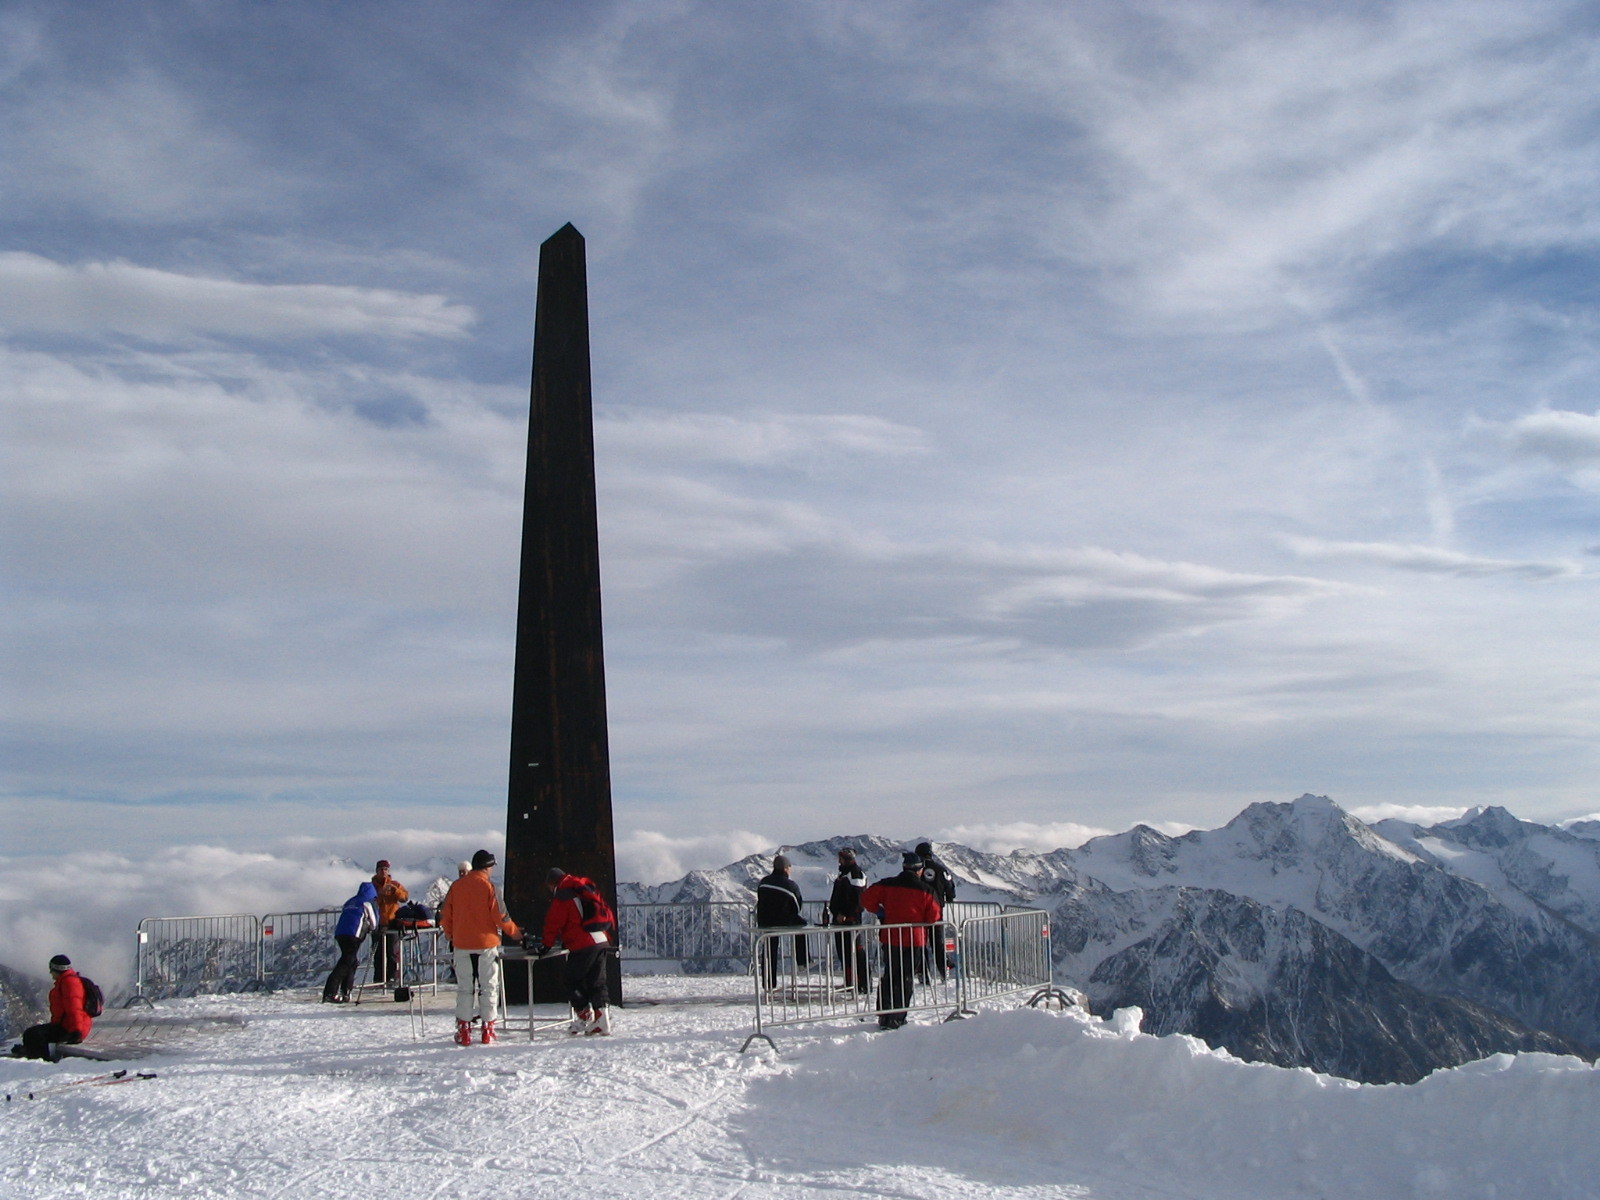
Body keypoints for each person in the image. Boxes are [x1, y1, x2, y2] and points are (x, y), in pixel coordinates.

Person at [439, 849, 521, 1045]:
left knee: (465, 989)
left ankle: (464, 1031)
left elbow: (445, 915)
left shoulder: (456, 886)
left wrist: (451, 934)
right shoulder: (490, 887)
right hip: (486, 945)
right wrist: (517, 934)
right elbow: (501, 917)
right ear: (487, 867)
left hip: (462, 944)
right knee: (489, 987)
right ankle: (488, 1030)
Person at [861, 851, 943, 1029]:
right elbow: (934, 916)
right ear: (920, 870)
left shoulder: (887, 884)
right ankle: (897, 1017)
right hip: (914, 939)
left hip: (890, 937)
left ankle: (884, 1016)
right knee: (906, 977)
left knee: (890, 975)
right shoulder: (926, 890)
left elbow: (866, 898)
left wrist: (881, 912)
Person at [540, 867, 619, 1036]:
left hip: (584, 944)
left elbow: (554, 922)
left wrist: (546, 944)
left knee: (571, 980)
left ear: (552, 883)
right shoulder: (581, 888)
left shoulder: (563, 894)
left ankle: (584, 1014)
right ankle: (602, 1019)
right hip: (600, 939)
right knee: (597, 982)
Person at [11, 955, 93, 1061]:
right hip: (68, 1026)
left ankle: (40, 1061)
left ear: (58, 970)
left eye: (52, 970)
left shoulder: (69, 983)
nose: (50, 973)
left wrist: (76, 1031)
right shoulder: (66, 981)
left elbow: (75, 1009)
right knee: (32, 1033)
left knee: (35, 1034)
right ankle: (33, 1054)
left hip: (72, 1029)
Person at [754, 853, 808, 991]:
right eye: (789, 867)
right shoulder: (790, 885)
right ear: (785, 868)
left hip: (765, 921)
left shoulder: (764, 882)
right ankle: (802, 960)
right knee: (801, 926)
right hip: (784, 920)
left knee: (769, 951)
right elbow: (797, 907)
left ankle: (768, 983)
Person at [821, 847, 869, 994]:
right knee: (845, 952)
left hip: (850, 921)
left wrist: (846, 914)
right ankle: (850, 982)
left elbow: (858, 899)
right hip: (841, 920)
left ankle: (861, 983)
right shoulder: (845, 874)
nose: (839, 861)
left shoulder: (855, 874)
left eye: (841, 858)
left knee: (854, 951)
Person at [322, 882, 378, 1003]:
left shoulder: (350, 902)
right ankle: (330, 992)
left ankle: (346, 991)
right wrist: (371, 928)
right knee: (346, 962)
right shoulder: (367, 903)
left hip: (340, 933)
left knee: (351, 961)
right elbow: (374, 923)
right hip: (353, 935)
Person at [915, 841, 958, 981]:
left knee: (921, 942)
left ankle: (923, 974)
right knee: (938, 942)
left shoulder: (916, 870)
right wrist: (949, 897)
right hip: (936, 910)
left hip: (918, 911)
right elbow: (950, 886)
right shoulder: (941, 869)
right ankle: (944, 971)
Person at [371, 860, 410, 985]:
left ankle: (392, 977)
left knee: (392, 952)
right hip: (377, 923)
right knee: (378, 953)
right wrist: (379, 895)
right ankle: (378, 979)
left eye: (385, 869)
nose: (383, 872)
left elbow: (405, 898)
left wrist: (395, 891)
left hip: (392, 922)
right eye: (381, 869)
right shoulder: (372, 886)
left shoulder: (395, 884)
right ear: (377, 871)